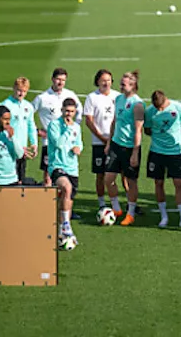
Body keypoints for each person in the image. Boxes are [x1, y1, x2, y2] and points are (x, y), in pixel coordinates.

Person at [144, 90, 181, 229]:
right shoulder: (149, 111)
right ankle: (163, 216)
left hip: (175, 152)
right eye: (157, 108)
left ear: (166, 100)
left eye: (162, 107)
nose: (159, 110)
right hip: (156, 152)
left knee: (179, 183)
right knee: (158, 182)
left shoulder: (179, 108)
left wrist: (174, 135)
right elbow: (147, 129)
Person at [106, 71, 145, 225]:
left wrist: (135, 152)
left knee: (131, 181)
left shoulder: (138, 104)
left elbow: (138, 130)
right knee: (108, 179)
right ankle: (116, 208)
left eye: (124, 83)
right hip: (116, 144)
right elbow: (114, 121)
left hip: (130, 147)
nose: (121, 86)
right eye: (121, 83)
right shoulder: (118, 99)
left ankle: (130, 212)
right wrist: (109, 142)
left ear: (133, 85)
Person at [83, 70, 121, 216]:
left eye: (109, 80)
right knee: (100, 174)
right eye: (103, 80)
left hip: (117, 142)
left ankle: (122, 204)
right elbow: (89, 120)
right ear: (97, 81)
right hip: (99, 143)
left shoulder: (117, 97)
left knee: (121, 174)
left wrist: (112, 140)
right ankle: (101, 203)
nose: (106, 83)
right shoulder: (92, 98)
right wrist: (102, 138)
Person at [46, 98, 84, 242]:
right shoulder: (54, 125)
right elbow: (58, 144)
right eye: (67, 111)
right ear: (62, 110)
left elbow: (80, 143)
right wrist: (67, 129)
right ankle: (66, 225)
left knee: (68, 198)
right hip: (57, 165)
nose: (69, 114)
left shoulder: (77, 127)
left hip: (72, 167)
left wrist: (78, 149)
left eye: (72, 112)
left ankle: (62, 228)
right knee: (66, 188)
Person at [34, 68, 77, 187]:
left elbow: (79, 113)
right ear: (52, 79)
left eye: (63, 80)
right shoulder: (42, 98)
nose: (60, 82)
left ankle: (62, 201)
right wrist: (36, 130)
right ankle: (47, 203)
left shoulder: (70, 95)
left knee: (66, 173)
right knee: (48, 175)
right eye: (58, 79)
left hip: (67, 142)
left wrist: (74, 130)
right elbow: (27, 114)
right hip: (49, 142)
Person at [3, 77, 38, 184]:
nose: (21, 94)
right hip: (9, 148)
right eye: (19, 90)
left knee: (21, 178)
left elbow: (31, 125)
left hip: (24, 149)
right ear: (14, 88)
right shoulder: (6, 105)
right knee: (9, 178)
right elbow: (3, 128)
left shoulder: (28, 106)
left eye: (24, 91)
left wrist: (34, 143)